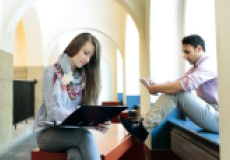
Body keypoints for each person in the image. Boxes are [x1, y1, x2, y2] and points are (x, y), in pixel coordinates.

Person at [120, 34, 218, 142]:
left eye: (187, 52)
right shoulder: (196, 67)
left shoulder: (209, 64)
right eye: (183, 52)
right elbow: (178, 82)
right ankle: (143, 126)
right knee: (173, 90)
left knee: (177, 92)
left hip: (218, 118)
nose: (184, 56)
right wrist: (156, 85)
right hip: (209, 113)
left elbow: (184, 85)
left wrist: (157, 88)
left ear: (199, 49)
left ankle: (143, 129)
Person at [33, 32, 110, 160]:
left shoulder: (84, 78)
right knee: (85, 137)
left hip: (72, 132)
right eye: (86, 53)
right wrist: (83, 120)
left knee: (76, 154)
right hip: (47, 133)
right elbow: (53, 112)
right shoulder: (50, 72)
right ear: (75, 47)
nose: (87, 60)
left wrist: (97, 121)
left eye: (91, 57)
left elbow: (85, 111)